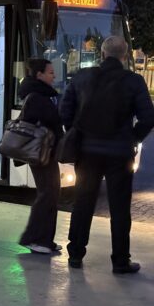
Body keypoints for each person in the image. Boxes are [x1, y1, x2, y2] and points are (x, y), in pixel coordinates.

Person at [60, 36, 154, 273]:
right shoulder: (133, 81)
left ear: (102, 54)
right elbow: (148, 117)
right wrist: (132, 138)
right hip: (119, 154)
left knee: (83, 202)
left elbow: (65, 111)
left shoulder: (82, 77)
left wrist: (78, 132)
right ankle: (120, 260)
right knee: (120, 208)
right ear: (124, 56)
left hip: (87, 151)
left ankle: (75, 254)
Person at [17, 59, 64, 254]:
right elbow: (50, 120)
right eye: (50, 72)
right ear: (39, 75)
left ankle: (46, 240)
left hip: (47, 151)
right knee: (47, 194)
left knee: (52, 194)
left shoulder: (43, 94)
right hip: (40, 152)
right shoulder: (37, 96)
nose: (54, 76)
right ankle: (32, 238)